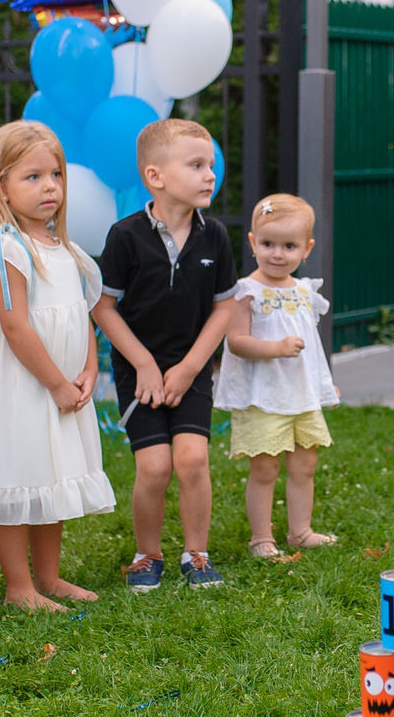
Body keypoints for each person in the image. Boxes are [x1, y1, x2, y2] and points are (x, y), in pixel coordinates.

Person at [0, 121, 114, 611]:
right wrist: (56, 382)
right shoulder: (5, 248)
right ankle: (19, 586)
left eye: (55, 174)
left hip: (61, 383)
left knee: (49, 476)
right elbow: (16, 327)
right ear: (1, 187)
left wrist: (89, 369)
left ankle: (50, 577)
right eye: (32, 177)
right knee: (16, 472)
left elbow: (81, 318)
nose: (49, 186)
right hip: (22, 385)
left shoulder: (69, 252)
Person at [92, 119, 237, 590]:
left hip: (191, 366)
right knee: (154, 467)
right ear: (156, 177)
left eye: (210, 165)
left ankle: (197, 555)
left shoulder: (215, 235)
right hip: (141, 371)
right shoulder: (124, 236)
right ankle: (146, 554)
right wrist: (146, 366)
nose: (209, 175)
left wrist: (192, 367)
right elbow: (104, 308)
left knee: (192, 459)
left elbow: (224, 308)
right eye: (196, 165)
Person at [213, 193, 341, 559]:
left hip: (301, 395)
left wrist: (322, 384)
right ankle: (260, 538)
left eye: (289, 246)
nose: (277, 253)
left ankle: (300, 531)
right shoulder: (247, 292)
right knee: (265, 467)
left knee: (306, 464)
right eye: (268, 244)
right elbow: (236, 342)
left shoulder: (304, 291)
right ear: (253, 242)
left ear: (307, 248)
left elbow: (312, 347)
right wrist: (276, 348)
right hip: (264, 396)